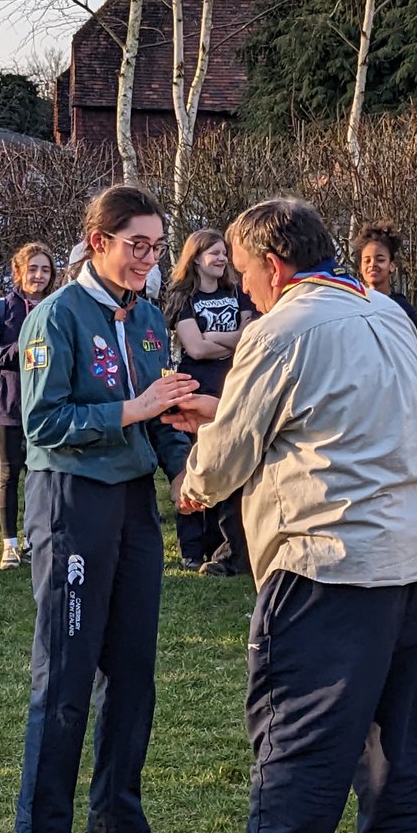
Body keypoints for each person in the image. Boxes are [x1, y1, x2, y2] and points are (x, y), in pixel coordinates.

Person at [170, 198, 417, 833]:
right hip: (407, 558)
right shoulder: (386, 313)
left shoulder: (281, 327)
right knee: (393, 747)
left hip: (327, 565)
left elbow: (231, 451)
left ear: (272, 264)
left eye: (242, 274)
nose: (242, 289)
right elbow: (335, 418)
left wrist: (193, 481)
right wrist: (223, 412)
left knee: (299, 749)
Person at [10, 186, 196, 833]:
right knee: (66, 671)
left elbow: (164, 409)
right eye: (136, 244)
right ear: (99, 243)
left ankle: (117, 825)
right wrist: (129, 409)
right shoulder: (55, 319)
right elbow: (44, 422)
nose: (149, 256)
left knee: (132, 669)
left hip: (133, 503)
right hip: (71, 500)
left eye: (156, 244)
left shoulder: (148, 319)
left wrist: (181, 470)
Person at [163, 228, 254, 576]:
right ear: (196, 257)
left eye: (223, 253)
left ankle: (225, 548)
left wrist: (212, 336)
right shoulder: (183, 297)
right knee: (194, 464)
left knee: (226, 466)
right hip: (194, 388)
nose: (221, 258)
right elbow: (196, 349)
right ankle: (192, 548)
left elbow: (249, 338)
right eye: (213, 253)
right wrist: (228, 341)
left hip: (232, 386)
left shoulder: (237, 292)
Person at [0, 242, 57, 569]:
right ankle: (9, 545)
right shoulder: (0, 308)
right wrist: (17, 352)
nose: (38, 276)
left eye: (45, 269)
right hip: (8, 400)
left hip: (48, 402)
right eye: (32, 269)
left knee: (46, 472)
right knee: (10, 472)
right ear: (18, 272)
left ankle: (41, 539)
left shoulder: (58, 307)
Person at [352, 219, 417, 327]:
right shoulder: (353, 305)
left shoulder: (402, 309)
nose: (372, 264)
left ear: (392, 266)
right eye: (367, 260)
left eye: (380, 260)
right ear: (360, 267)